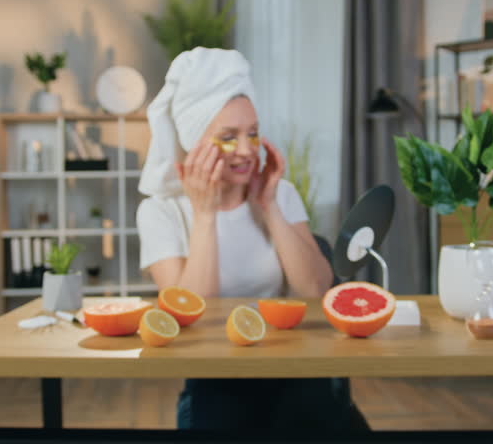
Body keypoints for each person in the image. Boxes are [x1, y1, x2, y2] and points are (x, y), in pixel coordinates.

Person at [136, 47, 357, 430]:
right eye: (227, 137)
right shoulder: (161, 212)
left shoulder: (280, 192)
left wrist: (268, 204)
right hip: (214, 382)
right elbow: (186, 316)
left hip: (295, 373)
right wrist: (204, 215)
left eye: (252, 134)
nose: (245, 150)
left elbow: (316, 289)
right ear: (193, 140)